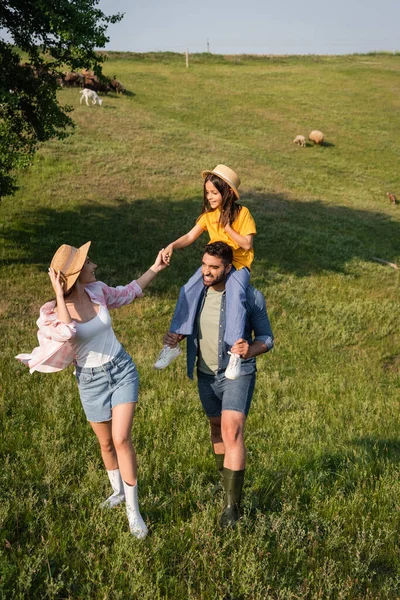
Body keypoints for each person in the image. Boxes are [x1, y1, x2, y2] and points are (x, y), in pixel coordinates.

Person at [16, 241, 168, 538]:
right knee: (106, 445)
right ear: (72, 275)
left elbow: (127, 293)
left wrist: (155, 268)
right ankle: (118, 492)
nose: (93, 265)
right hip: (90, 381)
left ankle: (133, 512)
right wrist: (60, 295)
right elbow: (66, 331)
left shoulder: (97, 291)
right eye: (87, 263)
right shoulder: (52, 314)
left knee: (121, 438)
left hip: (121, 369)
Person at [162, 242, 274, 527]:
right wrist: (177, 338)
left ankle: (232, 509)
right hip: (205, 374)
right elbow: (192, 328)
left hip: (238, 373)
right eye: (204, 265)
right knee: (216, 429)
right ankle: (226, 486)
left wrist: (250, 349)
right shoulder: (196, 295)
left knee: (231, 431)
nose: (206, 272)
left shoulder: (250, 297)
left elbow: (267, 338)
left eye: (214, 267)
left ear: (228, 267)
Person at [154, 164, 257, 380]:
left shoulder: (242, 213)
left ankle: (235, 354)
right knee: (188, 288)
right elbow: (190, 237)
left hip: (237, 264)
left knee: (236, 296)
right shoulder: (209, 215)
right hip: (215, 262)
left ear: (227, 192)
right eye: (207, 192)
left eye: (214, 193)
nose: (209, 197)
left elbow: (247, 245)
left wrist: (228, 228)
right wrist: (172, 245)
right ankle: (173, 342)